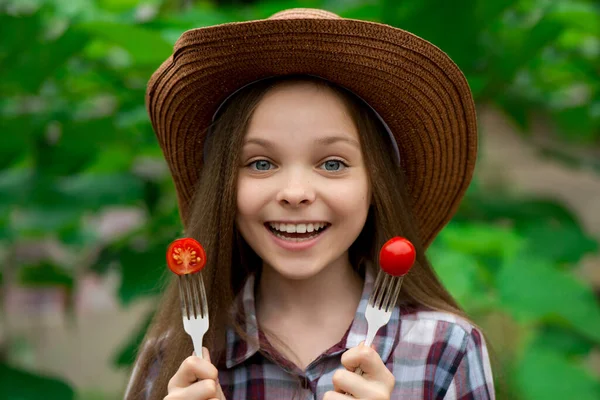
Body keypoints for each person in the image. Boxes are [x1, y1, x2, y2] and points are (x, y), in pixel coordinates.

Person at [125, 8, 494, 400]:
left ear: (376, 184)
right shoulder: (169, 358)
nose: (295, 192)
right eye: (261, 163)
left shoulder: (445, 348)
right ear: (225, 188)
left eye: (332, 163)